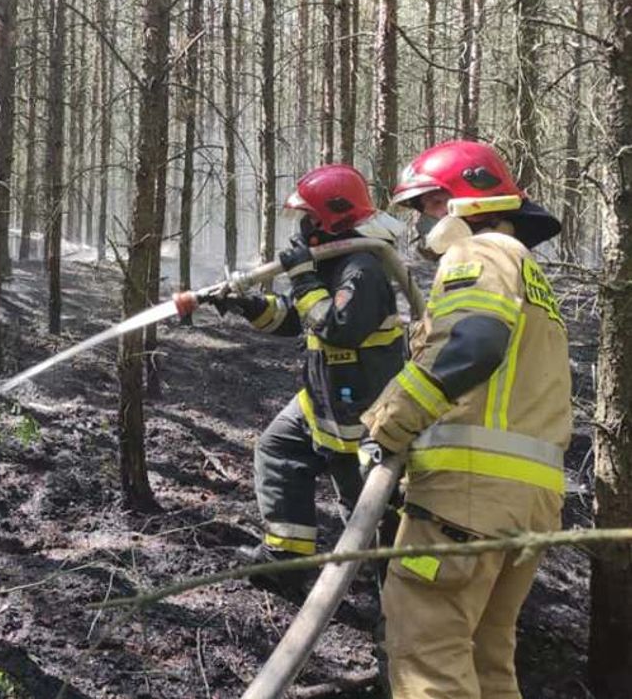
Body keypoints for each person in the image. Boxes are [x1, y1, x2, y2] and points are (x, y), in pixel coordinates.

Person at [359, 140, 571, 699]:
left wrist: (389, 422)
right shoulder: (527, 272)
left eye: (428, 204)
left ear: (465, 201)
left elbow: (470, 346)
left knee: (426, 651)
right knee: (485, 658)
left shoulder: (479, 253)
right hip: (528, 503)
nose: (422, 220)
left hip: (467, 496)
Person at [209, 164, 407, 569]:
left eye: (310, 216)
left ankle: (395, 607)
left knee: (369, 517)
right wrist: (247, 305)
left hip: (360, 419)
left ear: (333, 219)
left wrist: (301, 280)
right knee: (278, 450)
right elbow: (296, 320)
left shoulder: (362, 269)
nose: (303, 226)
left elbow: (339, 328)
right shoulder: (332, 265)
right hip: (322, 402)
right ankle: (285, 559)